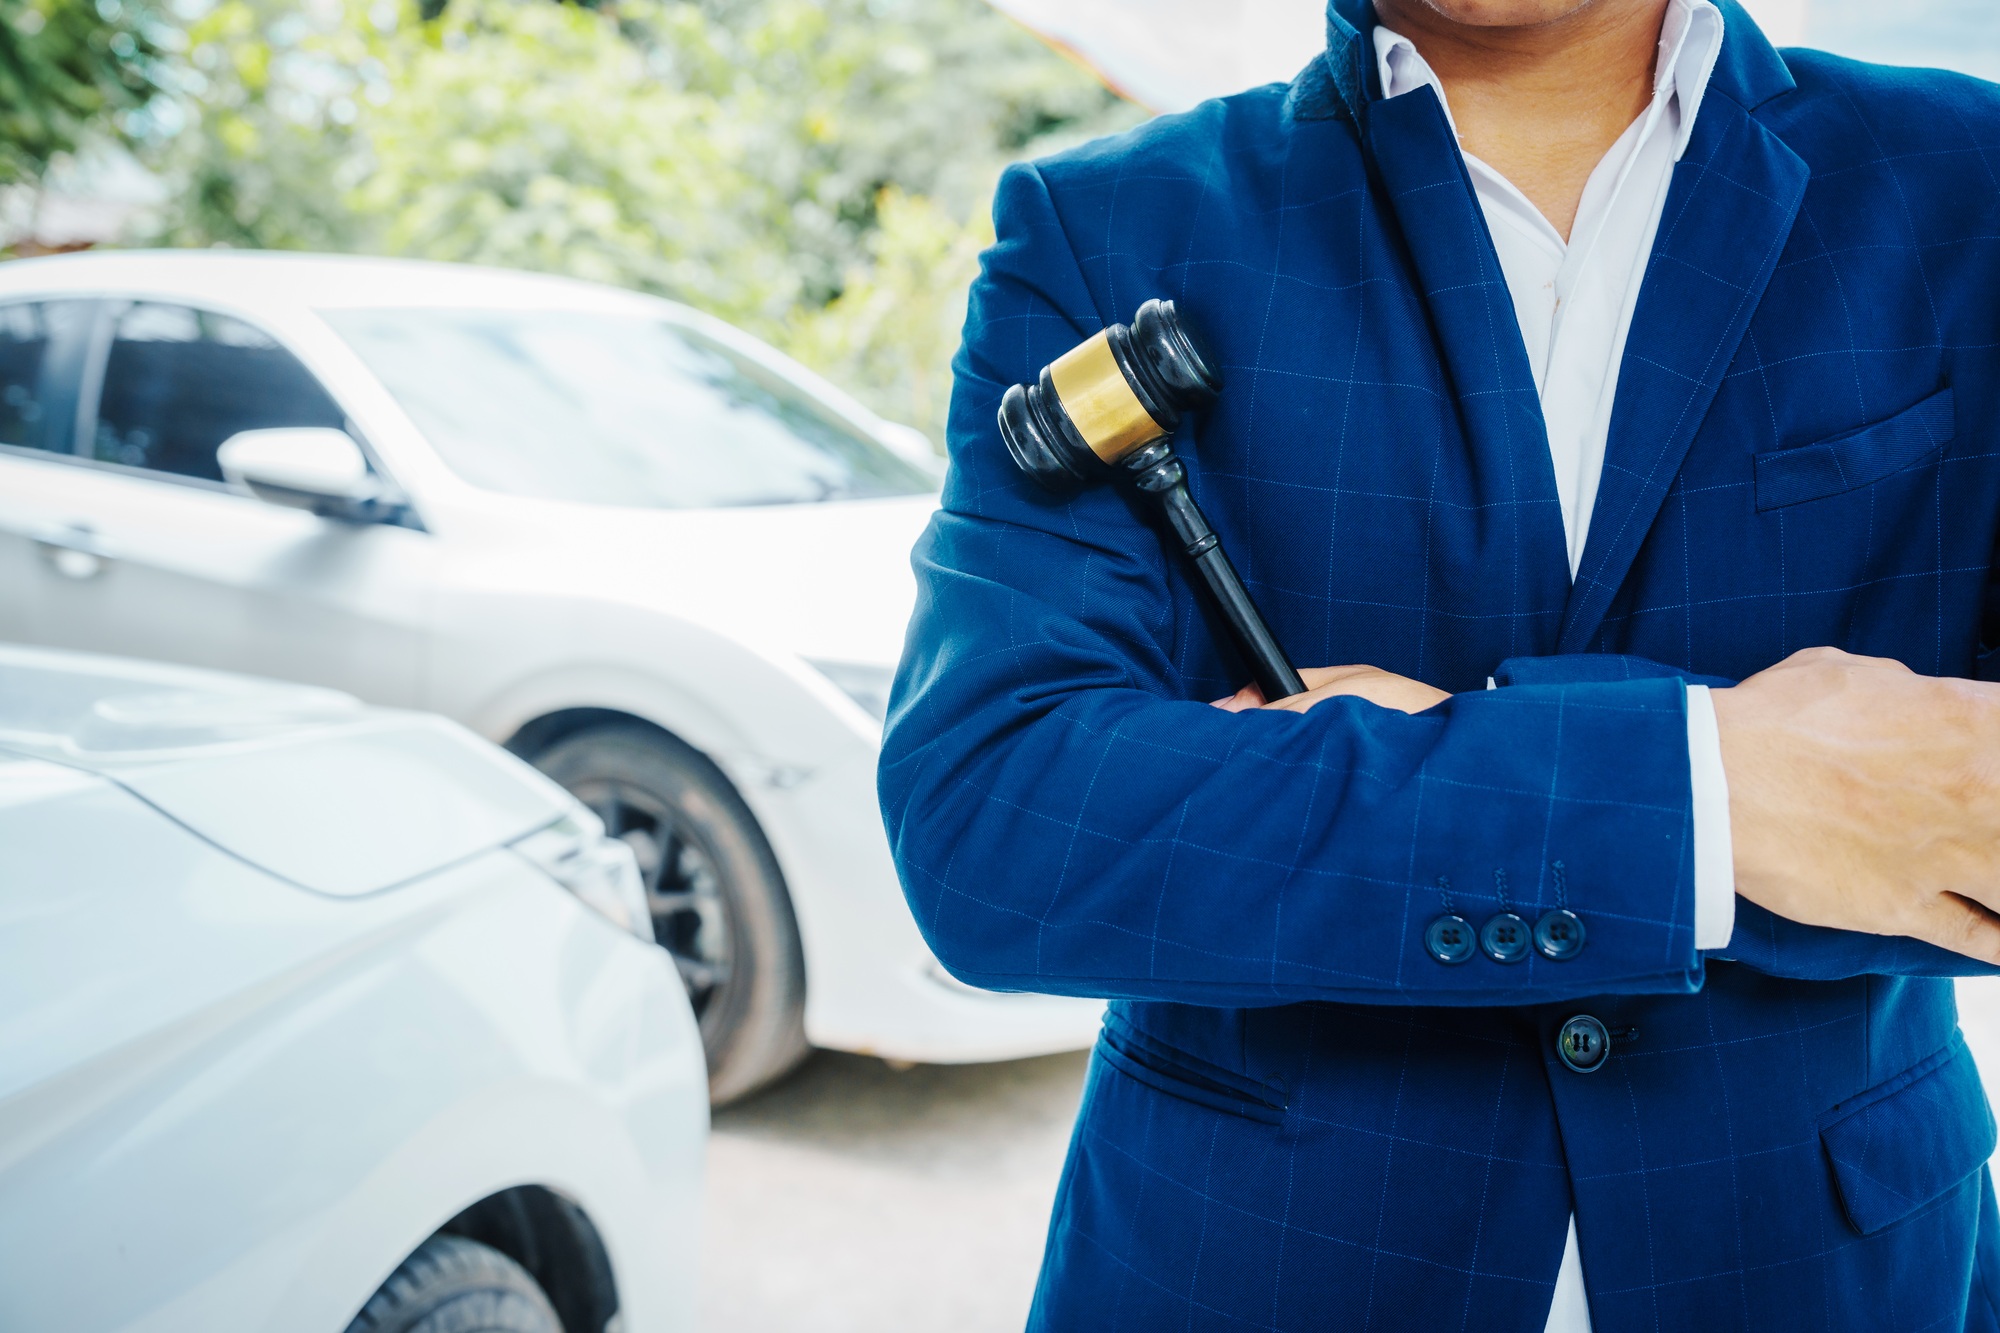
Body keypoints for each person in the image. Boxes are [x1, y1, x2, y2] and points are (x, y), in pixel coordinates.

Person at [879, 0, 2000, 1326]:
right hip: (1255, 1268)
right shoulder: (1104, 229)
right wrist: (1722, 793)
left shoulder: (1966, 185)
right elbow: (999, 822)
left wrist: (1425, 763)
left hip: (1834, 1271)